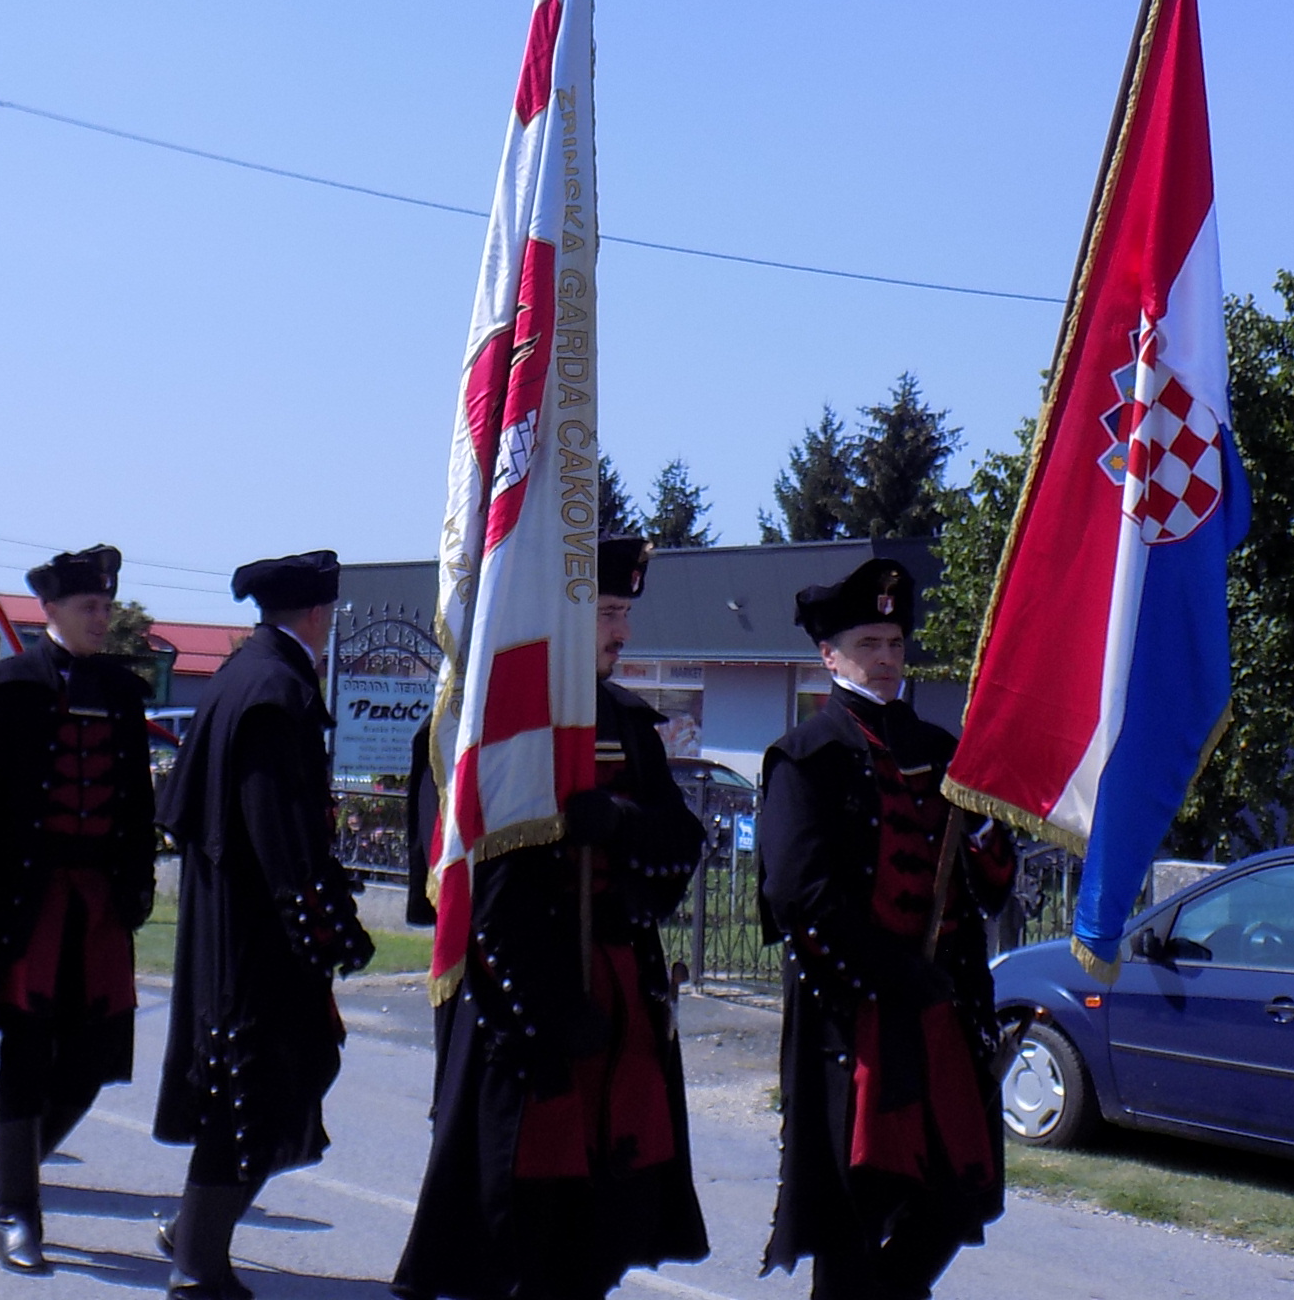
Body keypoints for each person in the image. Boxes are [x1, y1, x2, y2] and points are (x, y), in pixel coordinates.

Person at [394, 536, 708, 1300]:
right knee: (515, 1222)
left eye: (624, 613)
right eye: (605, 612)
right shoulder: (488, 725)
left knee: (613, 1212)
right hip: (523, 1011)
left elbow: (680, 838)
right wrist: (548, 1006)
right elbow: (479, 893)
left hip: (619, 994)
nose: (620, 632)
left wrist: (622, 825)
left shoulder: (630, 722)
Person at [756, 557, 1016, 1300]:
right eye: (869, 643)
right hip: (859, 1019)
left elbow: (993, 890)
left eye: (896, 643)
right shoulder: (806, 759)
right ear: (829, 655)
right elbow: (798, 895)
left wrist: (983, 834)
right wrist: (891, 970)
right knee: (854, 1213)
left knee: (957, 1193)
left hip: (942, 1015)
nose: (886, 660)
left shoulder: (945, 754)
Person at [0, 547, 159, 1274]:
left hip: (97, 905)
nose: (101, 618)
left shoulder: (123, 691)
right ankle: (17, 1216)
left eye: (105, 606)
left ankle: (12, 1160)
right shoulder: (4, 687)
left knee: (90, 1063)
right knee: (24, 1058)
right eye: (89, 607)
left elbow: (136, 803)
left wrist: (137, 887)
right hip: (27, 903)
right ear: (50, 612)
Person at [154, 550, 374, 1300]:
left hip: (230, 916)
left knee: (283, 1075)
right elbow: (282, 829)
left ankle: (193, 1236)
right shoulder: (277, 690)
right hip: (257, 934)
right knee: (250, 1087)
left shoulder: (237, 677)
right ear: (318, 614)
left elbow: (183, 808)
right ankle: (195, 1263)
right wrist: (330, 931)